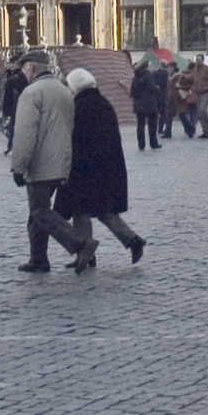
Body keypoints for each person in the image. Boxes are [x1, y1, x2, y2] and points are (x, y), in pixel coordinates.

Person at [43, 67, 144, 269]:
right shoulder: (103, 103)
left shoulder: (79, 107)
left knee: (83, 210)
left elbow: (74, 140)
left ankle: (90, 251)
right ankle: (124, 243)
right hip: (105, 169)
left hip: (84, 169)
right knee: (99, 211)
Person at [7, 51, 74, 273]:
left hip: (41, 164)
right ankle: (38, 259)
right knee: (37, 214)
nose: (23, 74)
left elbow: (25, 133)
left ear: (32, 68)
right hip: (62, 161)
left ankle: (80, 243)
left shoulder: (31, 93)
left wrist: (19, 166)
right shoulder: (65, 91)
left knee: (40, 212)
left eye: (24, 69)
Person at [129, 54, 164, 152]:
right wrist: (157, 88)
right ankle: (153, 143)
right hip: (149, 104)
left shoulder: (135, 77)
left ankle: (141, 144)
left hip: (138, 104)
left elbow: (132, 92)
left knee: (140, 125)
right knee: (152, 124)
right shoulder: (149, 75)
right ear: (147, 67)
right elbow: (151, 88)